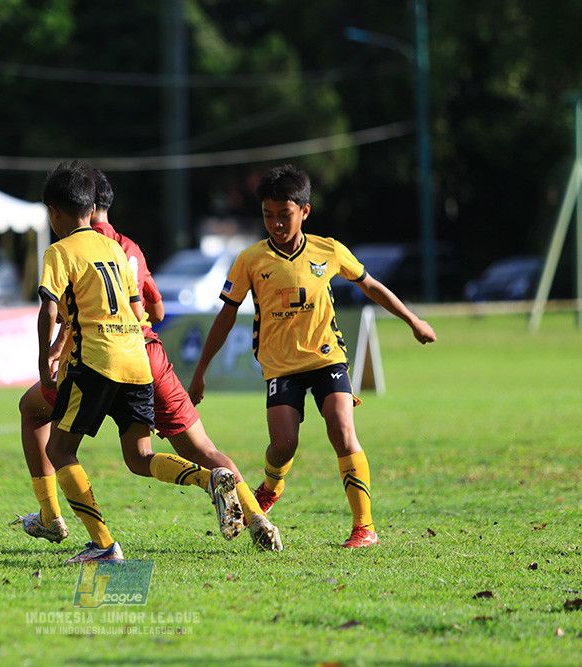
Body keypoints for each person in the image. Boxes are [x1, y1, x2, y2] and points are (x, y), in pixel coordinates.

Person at [14, 168, 281, 551]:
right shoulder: (119, 249)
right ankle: (210, 480)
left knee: (59, 449)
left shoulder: (59, 251)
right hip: (139, 358)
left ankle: (99, 543)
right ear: (92, 208)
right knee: (141, 457)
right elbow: (142, 310)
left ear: (53, 212)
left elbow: (48, 310)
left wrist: (47, 361)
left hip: (94, 361)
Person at [187, 164, 437, 549]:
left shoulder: (329, 250)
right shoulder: (250, 259)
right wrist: (201, 371)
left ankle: (364, 527)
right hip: (280, 366)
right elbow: (226, 316)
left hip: (327, 359)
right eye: (268, 215)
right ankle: (272, 485)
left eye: (284, 215)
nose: (276, 224)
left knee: (341, 428)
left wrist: (413, 320)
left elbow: (371, 286)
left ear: (304, 211)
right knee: (284, 444)